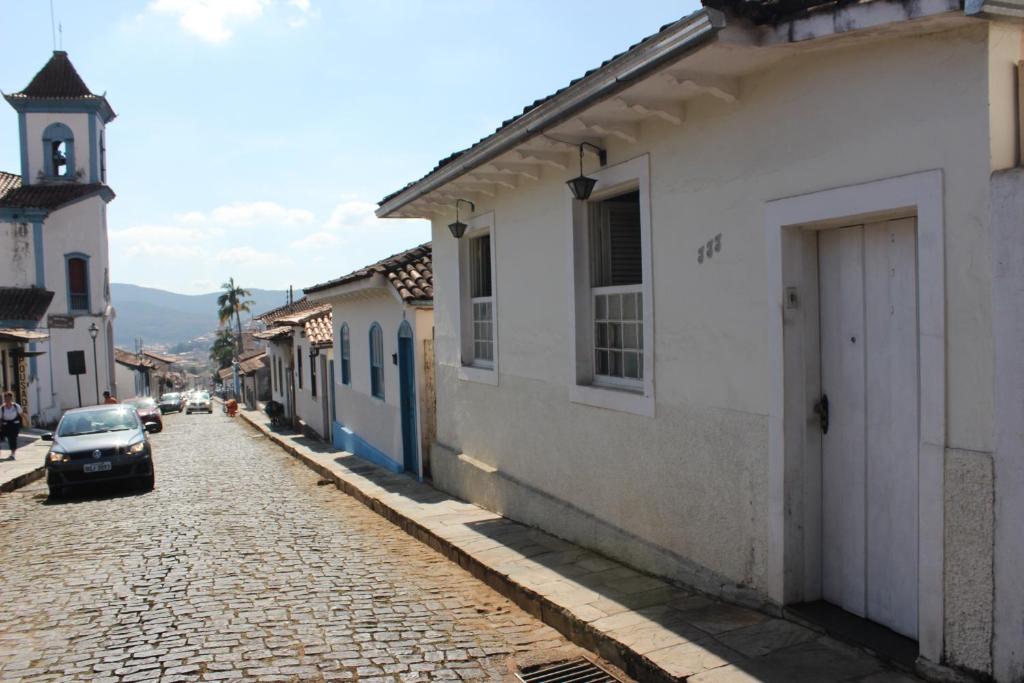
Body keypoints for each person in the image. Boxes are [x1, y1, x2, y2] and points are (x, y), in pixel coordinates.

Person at [1, 391, 25, 460]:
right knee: (6, 439)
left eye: (9, 398)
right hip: (6, 425)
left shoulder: (16, 406)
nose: (7, 400)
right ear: (4, 399)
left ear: (11, 399)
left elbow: (21, 414)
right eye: (6, 398)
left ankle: (13, 453)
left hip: (14, 424)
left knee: (12, 438)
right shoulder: (2, 408)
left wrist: (25, 422)